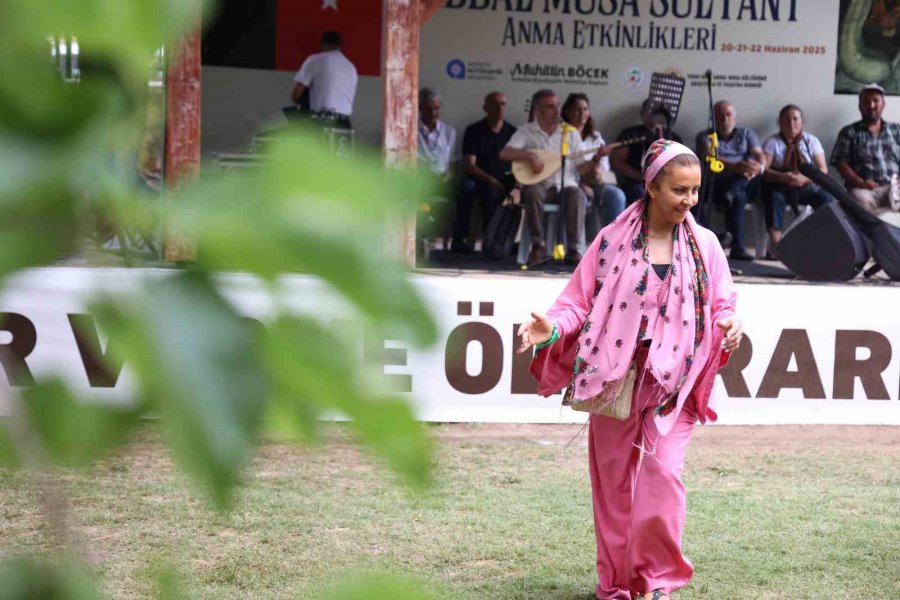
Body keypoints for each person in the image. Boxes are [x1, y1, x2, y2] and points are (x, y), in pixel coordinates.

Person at [517, 139, 742, 600]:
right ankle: (617, 585)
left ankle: (657, 580)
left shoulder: (706, 245)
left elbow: (724, 303)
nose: (689, 201)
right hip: (615, 377)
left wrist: (731, 324)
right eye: (679, 190)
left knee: (662, 475)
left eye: (695, 191)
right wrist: (552, 329)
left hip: (674, 382)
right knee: (613, 485)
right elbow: (577, 302)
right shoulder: (612, 241)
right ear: (652, 186)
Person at [500, 89, 603, 265]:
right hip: (540, 185)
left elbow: (581, 167)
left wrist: (596, 159)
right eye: (550, 107)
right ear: (537, 111)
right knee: (532, 192)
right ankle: (537, 245)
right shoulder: (526, 132)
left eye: (557, 105)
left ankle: (573, 249)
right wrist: (530, 156)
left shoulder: (570, 133)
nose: (556, 110)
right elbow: (505, 153)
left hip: (566, 187)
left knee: (577, 195)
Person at [695, 100, 765, 261]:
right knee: (695, 194)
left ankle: (732, 194)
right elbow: (709, 158)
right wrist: (735, 166)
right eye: (719, 115)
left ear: (734, 116)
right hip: (715, 183)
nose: (724, 119)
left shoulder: (747, 134)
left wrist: (757, 167)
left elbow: (759, 154)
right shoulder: (705, 136)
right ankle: (731, 245)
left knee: (742, 183)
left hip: (745, 181)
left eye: (728, 114)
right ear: (713, 118)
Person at [761, 105, 834, 254]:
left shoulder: (811, 141)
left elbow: (823, 170)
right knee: (773, 198)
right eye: (786, 120)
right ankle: (777, 247)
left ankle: (822, 245)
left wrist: (805, 179)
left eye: (795, 119)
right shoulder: (772, 142)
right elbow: (764, 170)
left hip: (807, 186)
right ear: (780, 122)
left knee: (826, 199)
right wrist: (782, 176)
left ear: (802, 121)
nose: (791, 123)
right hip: (781, 186)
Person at [454, 91, 516, 253]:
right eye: (495, 104)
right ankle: (477, 241)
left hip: (507, 180)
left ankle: (510, 242)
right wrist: (492, 181)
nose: (499, 108)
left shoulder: (513, 132)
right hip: (481, 179)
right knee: (482, 191)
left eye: (503, 104)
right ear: (485, 108)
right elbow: (470, 166)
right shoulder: (474, 131)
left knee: (521, 194)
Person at [831, 82, 900, 215]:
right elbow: (841, 164)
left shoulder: (896, 130)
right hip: (865, 189)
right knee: (858, 200)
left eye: (876, 101)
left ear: (883, 104)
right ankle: (871, 235)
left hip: (895, 187)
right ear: (860, 105)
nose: (871, 105)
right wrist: (861, 182)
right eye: (866, 101)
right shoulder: (849, 132)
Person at [561, 93, 627, 231]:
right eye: (577, 109)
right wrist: (582, 184)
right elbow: (566, 168)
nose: (582, 113)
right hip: (570, 185)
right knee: (580, 199)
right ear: (567, 112)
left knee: (616, 195)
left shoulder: (595, 136)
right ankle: (581, 248)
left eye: (585, 109)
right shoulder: (560, 135)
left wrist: (597, 171)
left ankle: (612, 245)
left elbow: (603, 164)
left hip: (594, 183)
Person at [612, 99, 684, 204]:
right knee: (646, 196)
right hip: (637, 183)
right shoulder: (631, 134)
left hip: (668, 183)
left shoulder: (673, 137)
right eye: (650, 110)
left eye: (658, 111)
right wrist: (641, 177)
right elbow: (617, 161)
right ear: (642, 114)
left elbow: (681, 163)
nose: (654, 114)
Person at [290, 31, 357, 129]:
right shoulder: (351, 68)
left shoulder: (316, 60)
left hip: (322, 124)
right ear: (340, 46)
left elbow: (295, 95)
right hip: (345, 125)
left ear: (323, 45)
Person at [417, 87, 457, 178]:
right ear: (420, 108)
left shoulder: (449, 132)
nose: (433, 113)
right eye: (429, 109)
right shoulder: (410, 132)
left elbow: (450, 162)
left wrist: (448, 177)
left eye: (436, 108)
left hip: (442, 181)